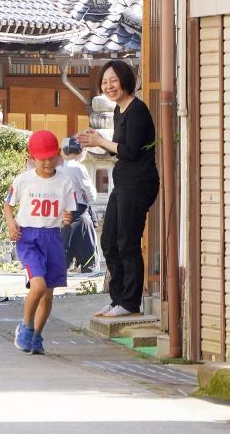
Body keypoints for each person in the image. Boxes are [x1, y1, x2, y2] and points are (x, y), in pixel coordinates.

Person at [77, 60, 159, 318]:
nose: (109, 86)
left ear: (125, 80)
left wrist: (100, 140)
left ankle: (130, 302)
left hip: (138, 182)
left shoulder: (137, 110)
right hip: (123, 182)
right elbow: (119, 149)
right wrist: (94, 142)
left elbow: (131, 150)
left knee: (127, 241)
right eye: (104, 82)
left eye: (113, 81)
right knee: (109, 240)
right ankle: (118, 299)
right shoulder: (119, 111)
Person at [4, 130, 76, 354]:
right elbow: (8, 204)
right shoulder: (23, 180)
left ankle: (37, 335)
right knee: (39, 285)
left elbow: (69, 212)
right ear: (31, 157)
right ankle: (25, 327)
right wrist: (11, 224)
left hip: (52, 238)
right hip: (28, 238)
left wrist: (67, 217)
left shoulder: (65, 181)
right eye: (41, 157)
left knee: (48, 293)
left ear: (58, 155)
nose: (47, 161)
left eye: (51, 156)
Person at [60, 137, 98, 273]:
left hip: (62, 213)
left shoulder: (59, 168)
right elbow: (91, 194)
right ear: (81, 151)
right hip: (79, 212)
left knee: (63, 251)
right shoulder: (78, 168)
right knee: (89, 252)